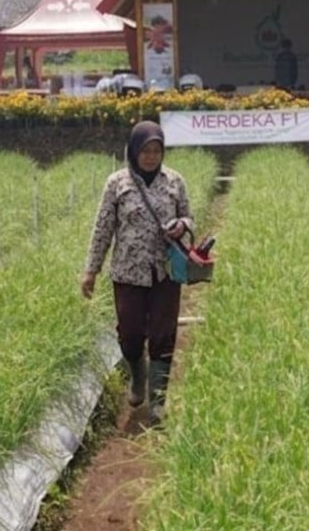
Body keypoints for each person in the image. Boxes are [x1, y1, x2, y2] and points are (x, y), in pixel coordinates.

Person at [82, 121, 194, 424]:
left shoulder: (174, 181)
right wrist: (91, 270)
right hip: (128, 273)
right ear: (134, 150)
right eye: (145, 151)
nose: (151, 156)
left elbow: (188, 215)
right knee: (129, 336)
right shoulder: (117, 183)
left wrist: (183, 226)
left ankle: (157, 400)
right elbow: (103, 228)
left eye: (157, 151)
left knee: (163, 334)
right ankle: (138, 375)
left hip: (165, 272)